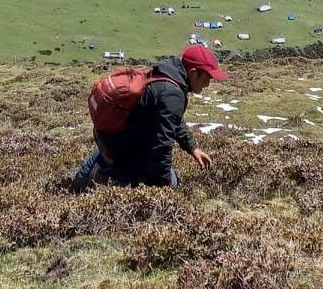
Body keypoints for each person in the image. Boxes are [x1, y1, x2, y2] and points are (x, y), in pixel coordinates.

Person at [73, 45, 224, 189]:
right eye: (206, 78)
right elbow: (162, 146)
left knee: (130, 148)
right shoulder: (173, 94)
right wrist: (164, 188)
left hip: (109, 134)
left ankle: (90, 170)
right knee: (172, 180)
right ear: (193, 72)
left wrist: (192, 147)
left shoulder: (166, 71)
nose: (207, 84)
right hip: (120, 143)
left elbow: (173, 118)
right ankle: (107, 174)